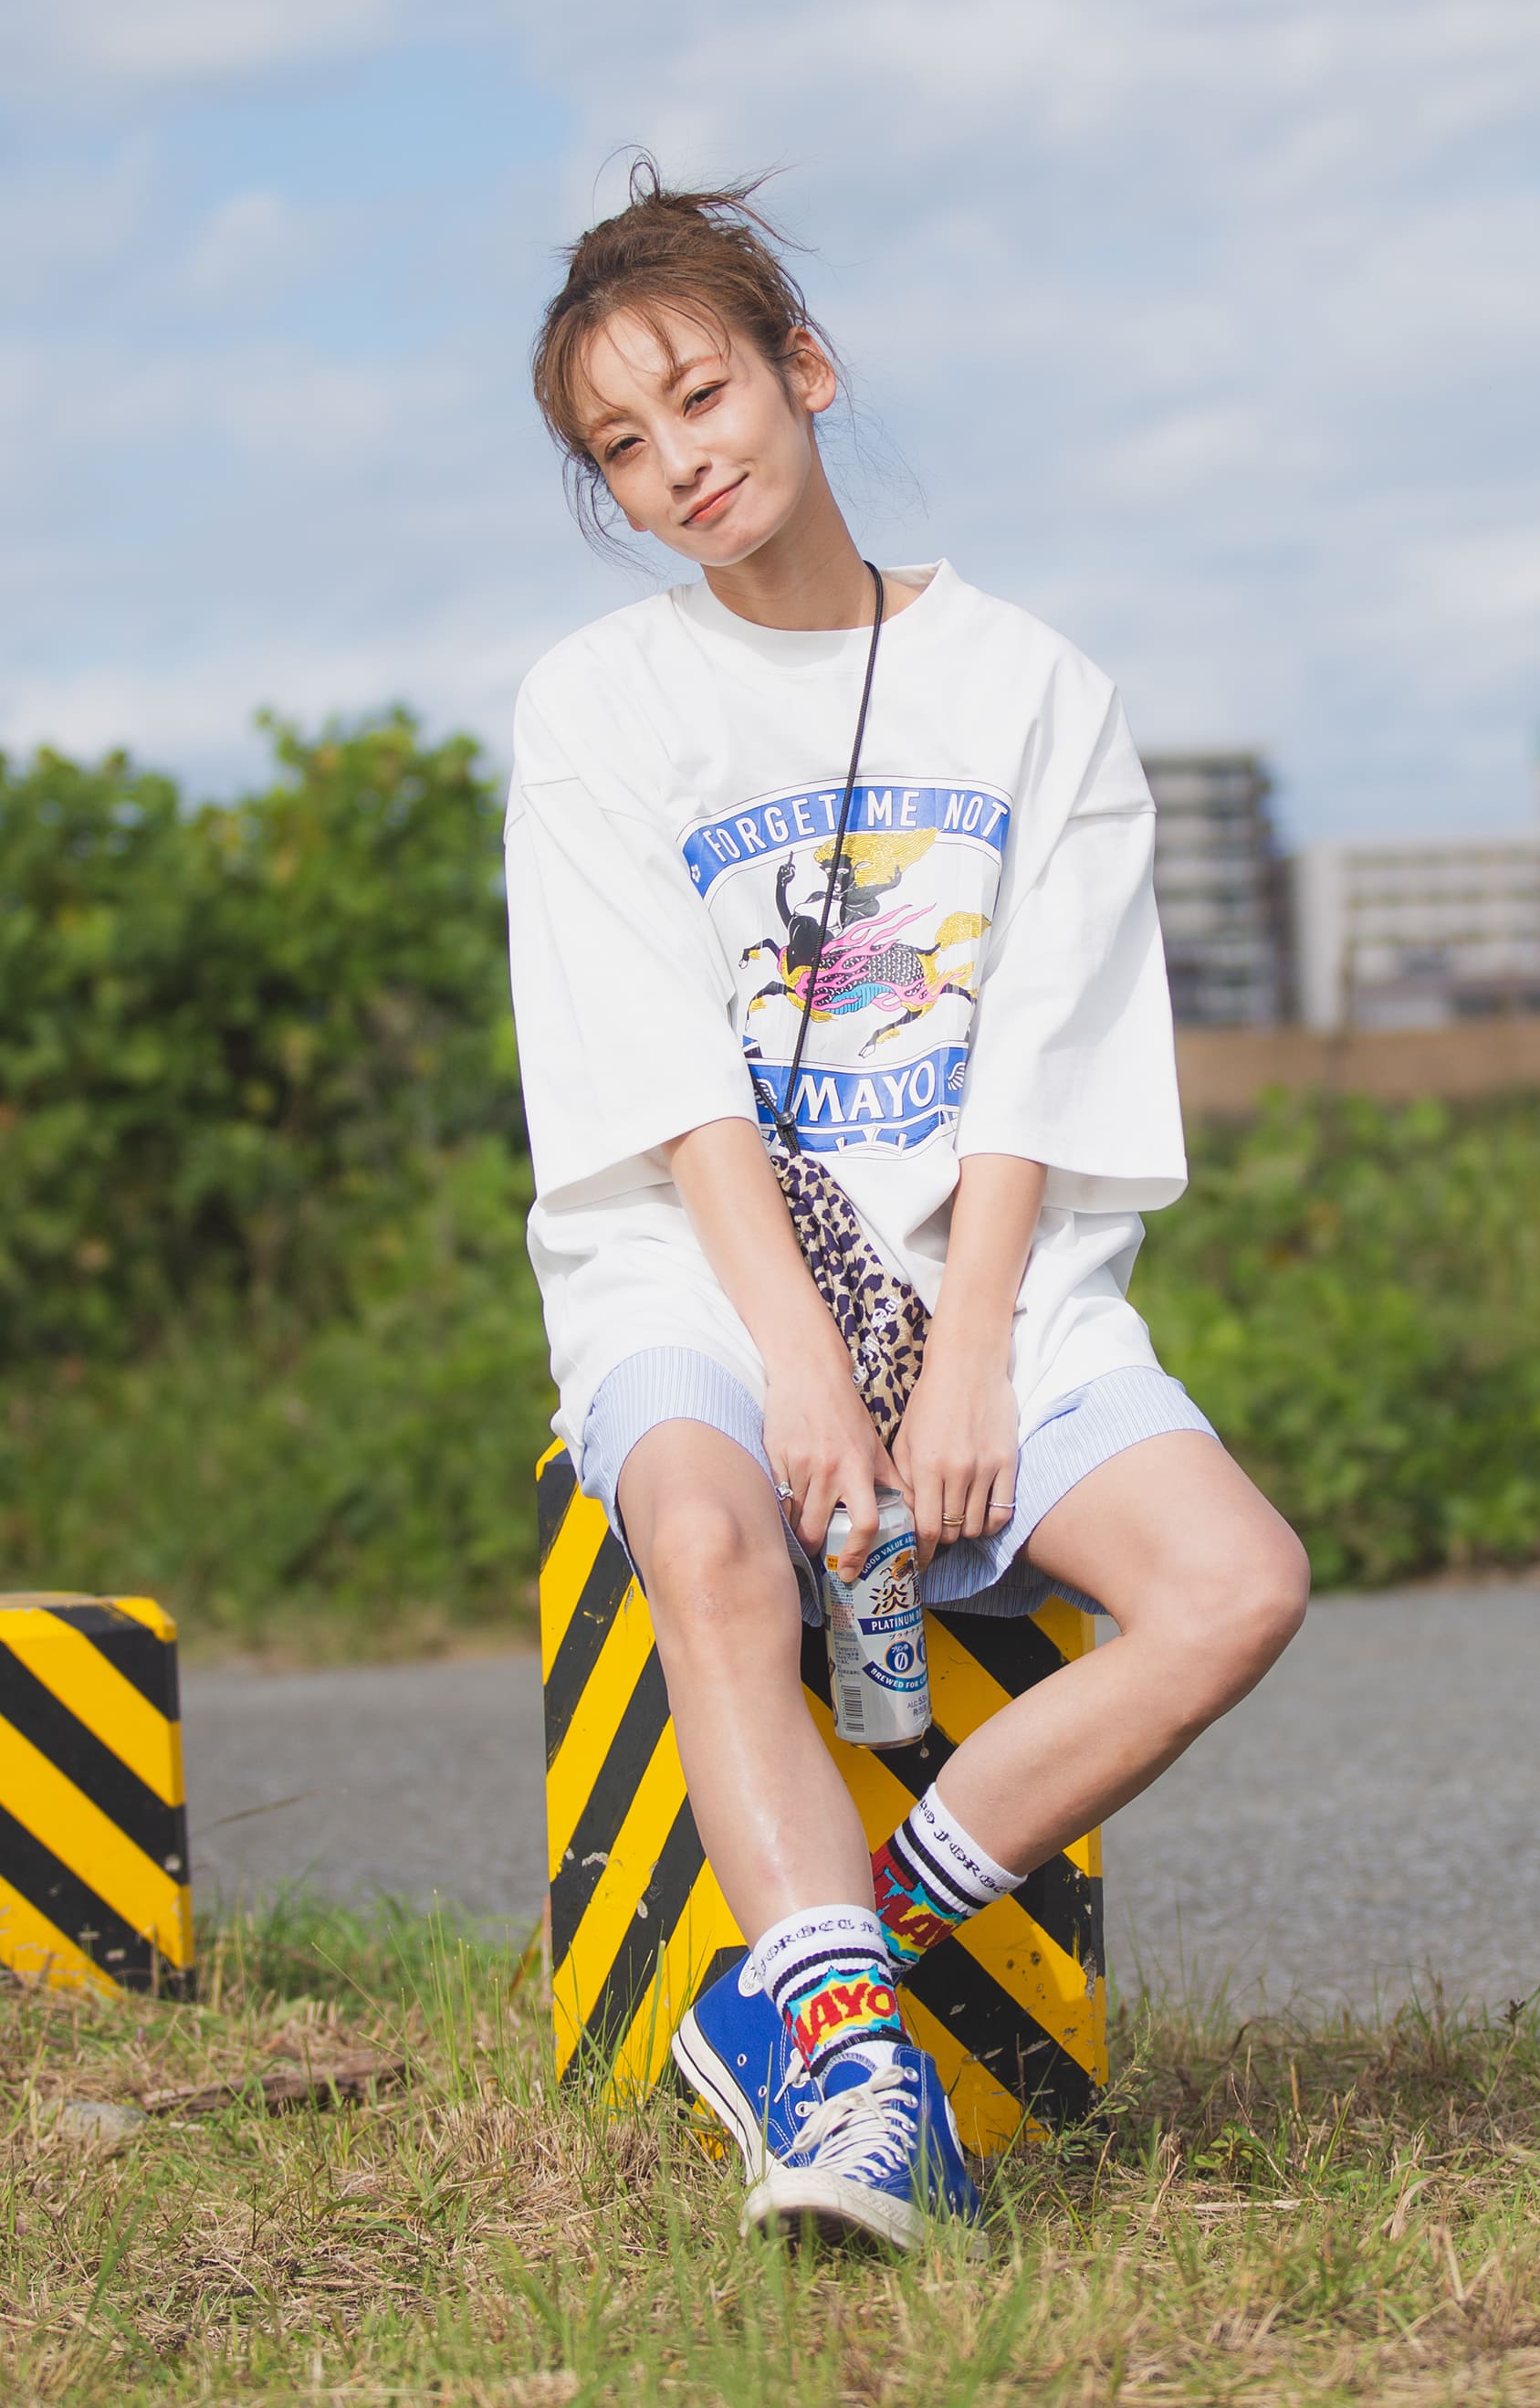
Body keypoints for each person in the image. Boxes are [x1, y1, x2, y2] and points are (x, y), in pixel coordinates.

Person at [506, 163, 1310, 2251]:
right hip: (695, 1272)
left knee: (1234, 1586)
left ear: (806, 369)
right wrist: (801, 1374)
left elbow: (1044, 1048)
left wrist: (962, 1360)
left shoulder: (1030, 687)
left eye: (702, 395)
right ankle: (866, 2092)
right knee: (705, 1537)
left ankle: (825, 1962)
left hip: (988, 1281)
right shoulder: (597, 707)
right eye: (623, 445)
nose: (680, 462)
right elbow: (666, 1083)